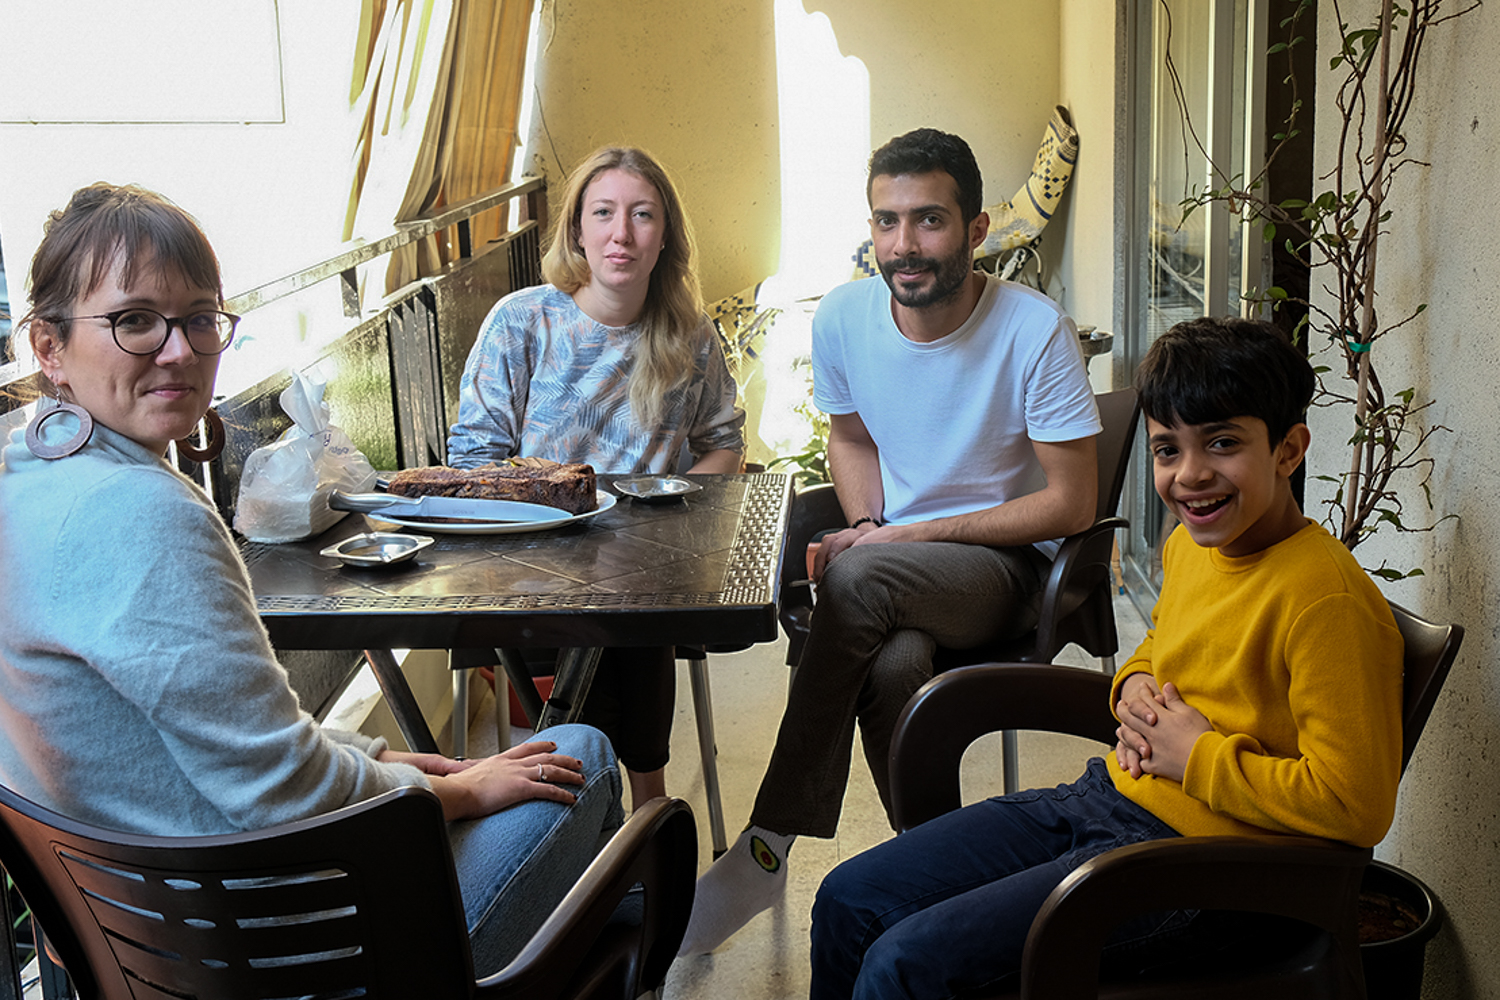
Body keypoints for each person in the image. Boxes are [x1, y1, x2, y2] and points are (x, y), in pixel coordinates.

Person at [0, 183, 624, 976]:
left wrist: (390, 764)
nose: (180, 350)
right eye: (133, 320)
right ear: (48, 347)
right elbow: (282, 794)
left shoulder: (24, 485)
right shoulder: (140, 514)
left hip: (151, 950)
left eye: (198, 317)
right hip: (293, 952)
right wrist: (455, 794)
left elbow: (221, 738)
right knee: (583, 753)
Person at [807, 316, 1406, 999]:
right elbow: (1160, 648)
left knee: (903, 965)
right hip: (1112, 802)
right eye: (1167, 450)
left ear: (1288, 450)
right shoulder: (1193, 546)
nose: (1192, 476)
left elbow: (1355, 807)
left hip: (1212, 874)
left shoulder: (1323, 600)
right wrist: (1136, 685)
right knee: (849, 898)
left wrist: (1198, 757)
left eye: (1222, 443)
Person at [679, 128, 1101, 955]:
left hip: (1004, 568)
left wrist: (893, 539)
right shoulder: (844, 317)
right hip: (897, 562)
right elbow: (853, 436)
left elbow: (1073, 504)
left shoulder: (1034, 330)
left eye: (930, 221)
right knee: (896, 661)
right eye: (887, 221)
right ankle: (935, 880)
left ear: (979, 231)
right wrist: (869, 526)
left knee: (855, 585)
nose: (904, 246)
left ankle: (769, 842)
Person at [446, 146, 745, 811]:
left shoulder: (688, 335)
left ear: (665, 234)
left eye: (642, 215)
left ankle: (595, 819)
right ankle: (644, 813)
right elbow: (472, 458)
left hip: (643, 567)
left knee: (632, 611)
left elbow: (724, 446)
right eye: (603, 213)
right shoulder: (522, 321)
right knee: (626, 628)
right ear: (577, 229)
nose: (622, 233)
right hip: (526, 564)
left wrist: (679, 508)